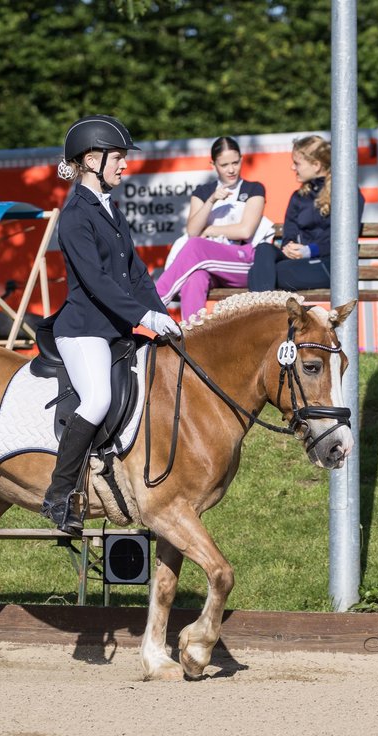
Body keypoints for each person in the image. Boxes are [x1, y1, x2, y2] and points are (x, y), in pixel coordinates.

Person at [41, 114, 181, 535]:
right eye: (117, 158)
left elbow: (135, 274)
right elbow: (98, 282)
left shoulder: (109, 211)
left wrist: (162, 316)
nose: (124, 165)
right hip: (83, 329)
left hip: (116, 329)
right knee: (98, 398)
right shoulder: (74, 216)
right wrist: (142, 316)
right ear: (90, 160)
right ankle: (58, 495)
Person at [153, 136, 272, 321]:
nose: (231, 169)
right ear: (213, 164)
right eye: (224, 165)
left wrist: (210, 230)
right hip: (212, 266)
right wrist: (211, 200)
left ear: (241, 160)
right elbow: (193, 230)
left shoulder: (254, 188)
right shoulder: (204, 192)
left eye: (235, 162)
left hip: (245, 263)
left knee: (196, 246)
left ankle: (154, 302)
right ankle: (193, 338)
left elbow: (245, 231)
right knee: (195, 279)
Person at [246, 135, 364, 294]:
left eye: (297, 163)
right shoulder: (299, 197)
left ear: (316, 165)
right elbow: (290, 233)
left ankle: (262, 315)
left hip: (330, 265)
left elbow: (344, 241)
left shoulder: (346, 192)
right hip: (298, 262)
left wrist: (309, 250)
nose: (293, 168)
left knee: (261, 273)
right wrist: (290, 247)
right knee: (264, 249)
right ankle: (264, 314)